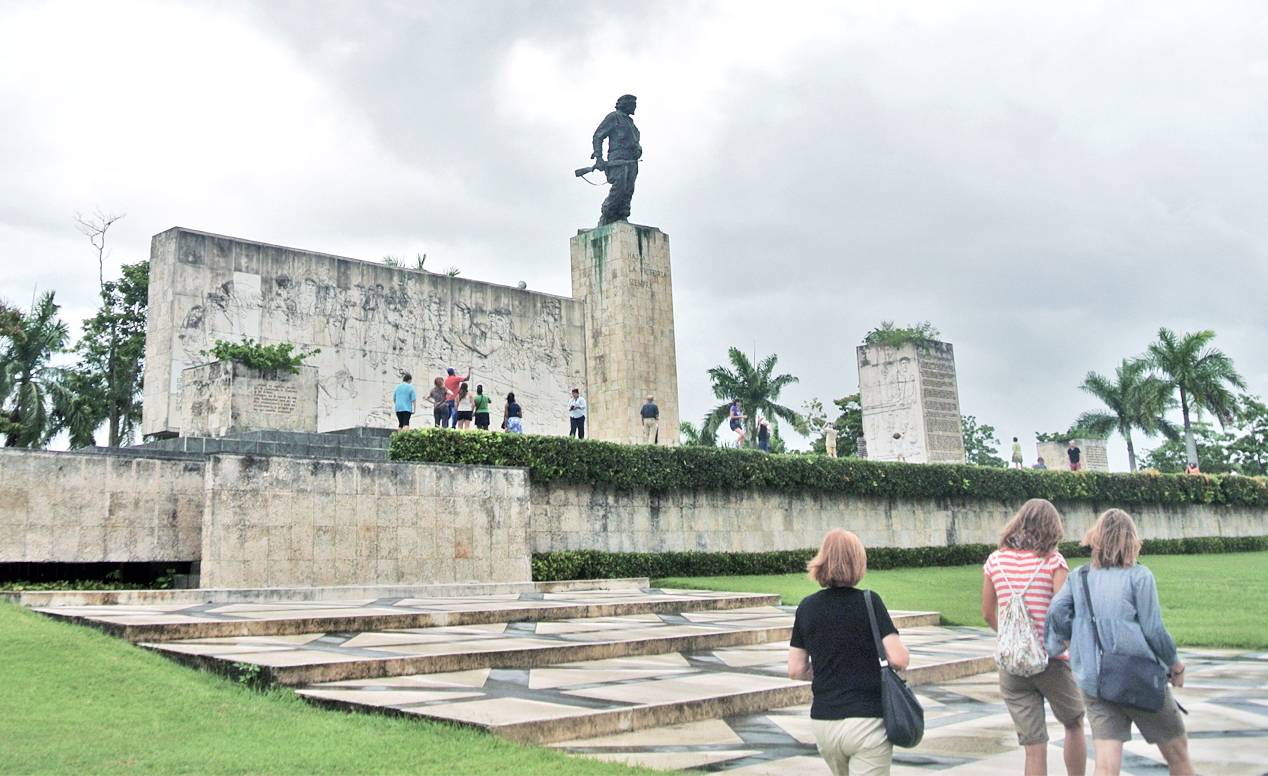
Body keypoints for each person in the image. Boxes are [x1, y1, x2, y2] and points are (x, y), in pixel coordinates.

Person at [1047, 509, 1191, 776]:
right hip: (1140, 678)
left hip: (1095, 679)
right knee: (1178, 756)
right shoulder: (1139, 576)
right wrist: (1175, 665)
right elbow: (1153, 629)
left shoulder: (1079, 577)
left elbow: (1056, 611)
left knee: (1105, 764)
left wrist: (1069, 640)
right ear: (1131, 540)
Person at [788, 529, 911, 776]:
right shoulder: (869, 601)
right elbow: (899, 658)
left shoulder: (806, 607)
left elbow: (795, 669)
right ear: (858, 561)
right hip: (867, 721)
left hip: (824, 722)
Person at [981, 499, 1087, 776]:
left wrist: (1013, 640)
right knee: (1074, 722)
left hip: (1012, 665)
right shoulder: (1054, 562)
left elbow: (987, 613)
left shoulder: (995, 561)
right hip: (1050, 661)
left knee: (1033, 744)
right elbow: (1061, 617)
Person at [590, 94, 642, 225]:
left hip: (632, 162)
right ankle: (607, 214)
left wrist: (639, 149)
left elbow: (635, 141)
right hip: (618, 159)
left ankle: (622, 215)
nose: (635, 107)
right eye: (632, 104)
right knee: (619, 187)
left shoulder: (631, 123)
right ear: (625, 104)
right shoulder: (614, 117)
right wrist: (599, 158)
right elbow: (598, 136)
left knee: (628, 190)